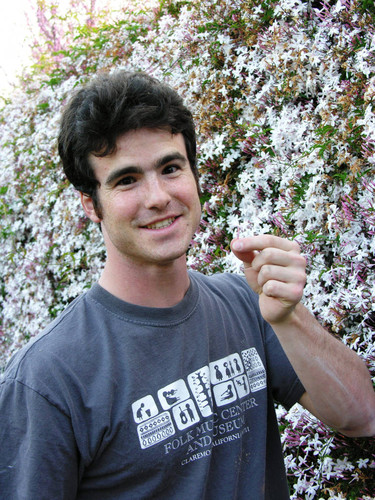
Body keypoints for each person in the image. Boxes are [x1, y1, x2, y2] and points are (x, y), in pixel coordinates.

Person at [0, 71, 374, 500]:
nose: (158, 196)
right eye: (126, 179)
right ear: (91, 204)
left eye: (170, 168)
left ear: (194, 176)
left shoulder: (244, 303)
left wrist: (288, 321)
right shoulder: (48, 379)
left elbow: (362, 416)